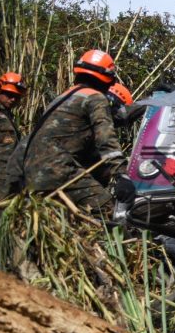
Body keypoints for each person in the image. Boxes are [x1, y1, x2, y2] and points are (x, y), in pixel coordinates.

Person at [24, 48, 131, 215]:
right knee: (109, 211)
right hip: (58, 170)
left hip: (31, 172)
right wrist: (121, 175)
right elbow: (105, 139)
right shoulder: (95, 98)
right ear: (106, 79)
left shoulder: (63, 97)